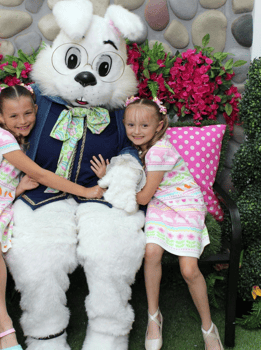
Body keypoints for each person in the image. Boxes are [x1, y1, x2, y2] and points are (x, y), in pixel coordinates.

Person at [0, 84, 105, 350]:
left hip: (2, 202)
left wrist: (17, 189)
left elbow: (2, 175)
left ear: (36, 110)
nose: (22, 121)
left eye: (27, 113)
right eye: (14, 117)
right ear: (0, 117)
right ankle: (7, 327)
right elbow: (42, 174)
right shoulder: (1, 136)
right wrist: (85, 191)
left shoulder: (23, 141)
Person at [92, 96, 223, 350]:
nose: (136, 131)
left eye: (144, 126)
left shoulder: (160, 151)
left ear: (159, 126)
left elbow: (141, 196)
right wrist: (109, 175)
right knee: (151, 253)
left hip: (184, 205)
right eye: (130, 125)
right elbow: (143, 187)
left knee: (188, 270)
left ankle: (208, 327)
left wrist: (112, 182)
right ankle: (154, 316)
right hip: (162, 205)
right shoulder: (144, 149)